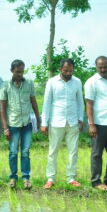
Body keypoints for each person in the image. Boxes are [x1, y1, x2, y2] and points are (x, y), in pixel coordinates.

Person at [41, 58, 84, 189]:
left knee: (73, 151)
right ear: (60, 69)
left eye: (70, 70)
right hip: (56, 121)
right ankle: (50, 178)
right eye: (66, 70)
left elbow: (80, 102)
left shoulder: (77, 82)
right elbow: (47, 103)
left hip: (72, 121)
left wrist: (81, 119)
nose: (68, 73)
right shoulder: (52, 82)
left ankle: (71, 178)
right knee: (53, 151)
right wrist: (44, 123)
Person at [0, 59, 40, 189]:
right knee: (13, 152)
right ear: (12, 71)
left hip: (26, 123)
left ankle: (26, 178)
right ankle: (12, 177)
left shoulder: (29, 83)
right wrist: (5, 128)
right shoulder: (5, 85)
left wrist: (38, 119)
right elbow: (2, 109)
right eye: (17, 72)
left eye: (22, 72)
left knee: (25, 152)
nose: (20, 74)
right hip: (13, 124)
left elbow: (33, 102)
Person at [84, 56, 107, 191]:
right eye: (100, 67)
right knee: (97, 154)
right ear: (96, 67)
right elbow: (89, 104)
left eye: (105, 66)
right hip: (99, 123)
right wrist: (91, 124)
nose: (103, 69)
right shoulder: (91, 82)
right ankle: (96, 181)